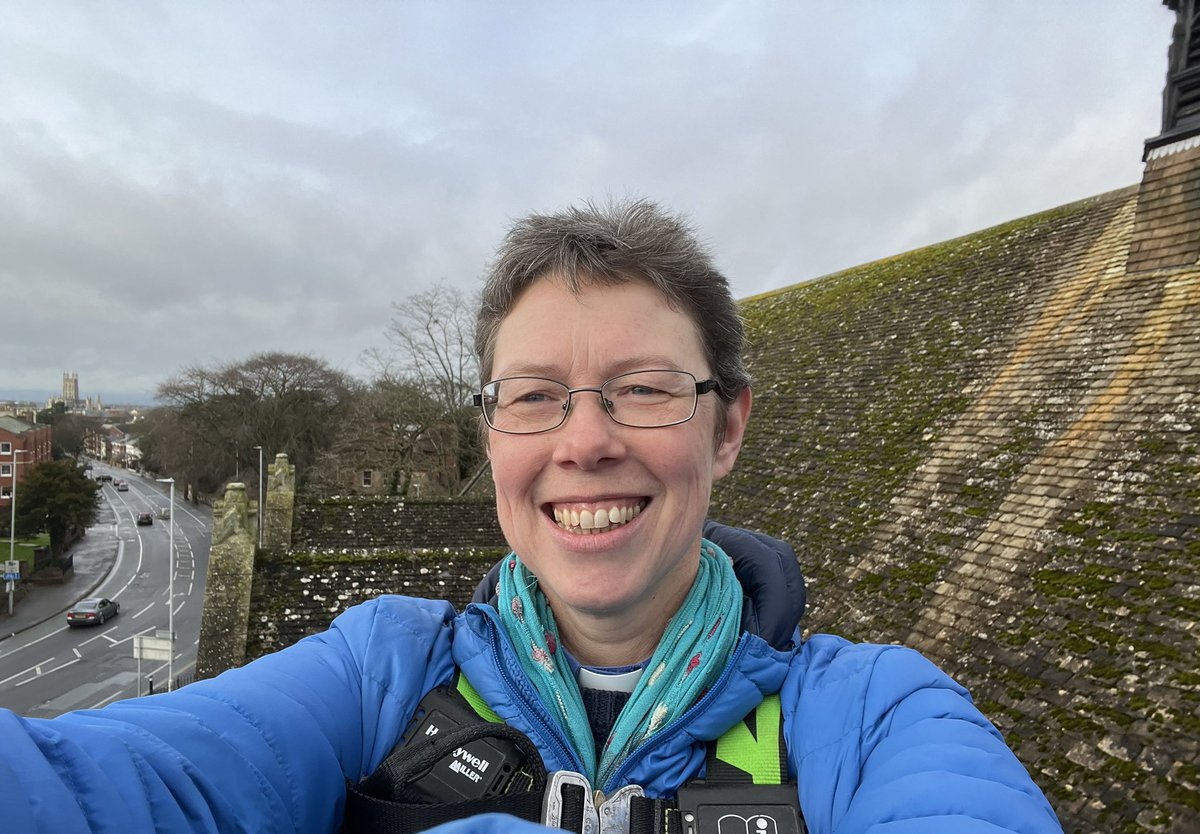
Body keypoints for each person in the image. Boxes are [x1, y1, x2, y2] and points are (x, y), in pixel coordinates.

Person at [0, 200, 1063, 834]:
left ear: (726, 428)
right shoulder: (379, 673)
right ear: (492, 433)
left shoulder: (874, 719)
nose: (583, 441)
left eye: (645, 386)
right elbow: (113, 790)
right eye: (535, 393)